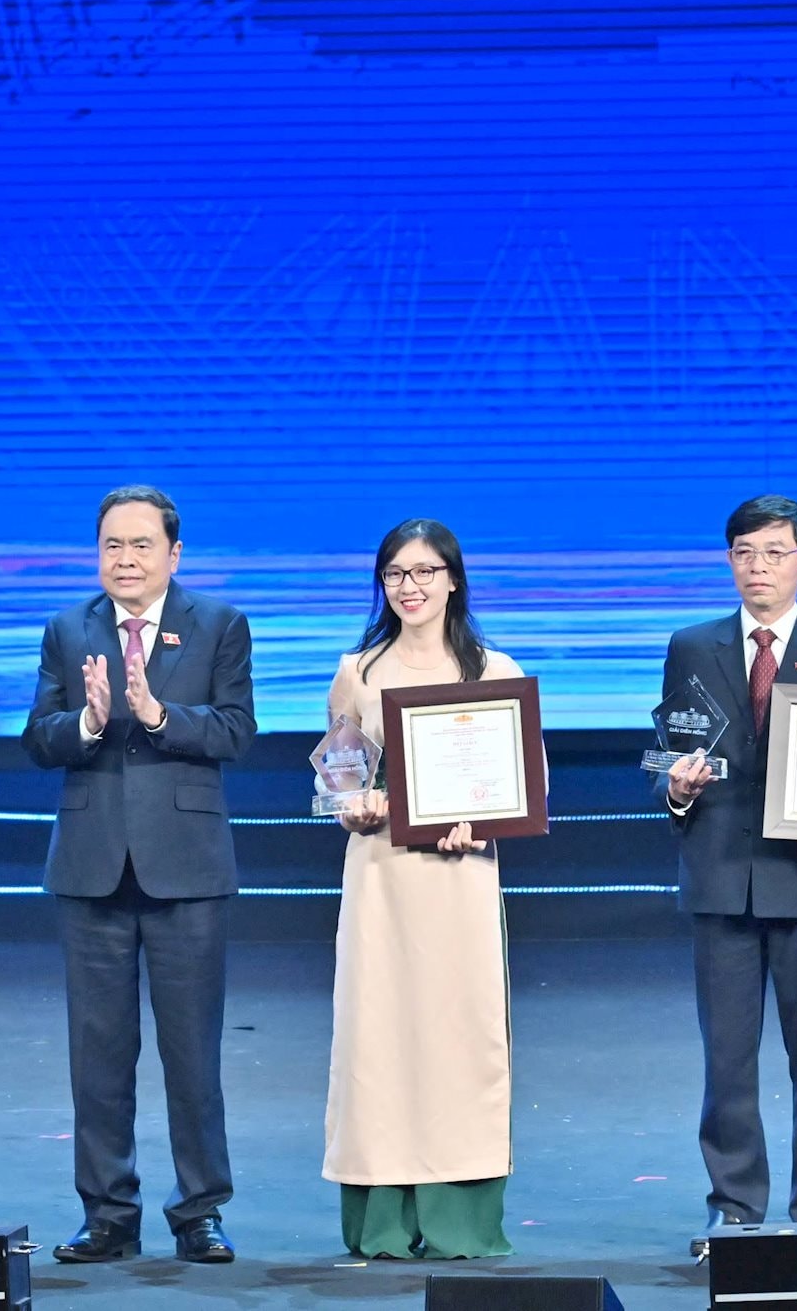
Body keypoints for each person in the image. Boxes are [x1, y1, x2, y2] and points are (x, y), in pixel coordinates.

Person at [22, 485, 257, 1264]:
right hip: (92, 867)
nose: (125, 559)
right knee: (98, 1055)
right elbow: (39, 737)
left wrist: (158, 714)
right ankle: (107, 1212)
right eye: (112, 545)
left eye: (141, 544)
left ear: (174, 552)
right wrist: (88, 722)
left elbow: (237, 730)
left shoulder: (218, 624)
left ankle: (199, 1210)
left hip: (186, 868)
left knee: (192, 1054)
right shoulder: (68, 628)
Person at [659, 495, 797, 1259]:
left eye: (776, 552)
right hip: (720, 875)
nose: (759, 566)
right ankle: (734, 1203)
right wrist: (676, 788)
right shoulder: (692, 645)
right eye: (745, 552)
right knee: (726, 1056)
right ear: (729, 560)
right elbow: (671, 748)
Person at [322, 519, 523, 1260]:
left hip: (460, 880)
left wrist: (480, 820)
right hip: (382, 877)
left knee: (460, 1035)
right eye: (396, 573)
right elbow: (339, 774)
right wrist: (351, 805)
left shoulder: (493, 670)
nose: (410, 587)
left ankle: (460, 1217)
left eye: (425, 571)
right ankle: (382, 1218)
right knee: (379, 1035)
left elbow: (521, 779)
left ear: (453, 579)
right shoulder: (359, 671)